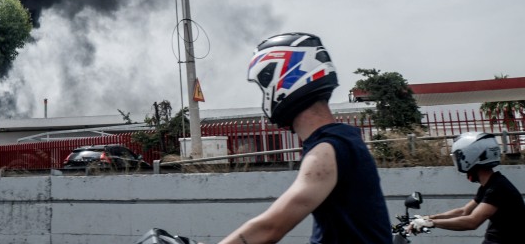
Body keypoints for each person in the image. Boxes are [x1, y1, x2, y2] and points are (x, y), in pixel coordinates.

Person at [215, 32, 392, 244]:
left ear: (281, 78)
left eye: (263, 87)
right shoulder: (343, 140)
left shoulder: (326, 152)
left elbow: (270, 227)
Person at [406, 131, 525, 243]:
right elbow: (464, 211)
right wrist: (427, 218)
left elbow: (472, 222)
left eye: (459, 157)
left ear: (471, 157)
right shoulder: (490, 185)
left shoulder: (498, 188)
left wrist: (431, 223)